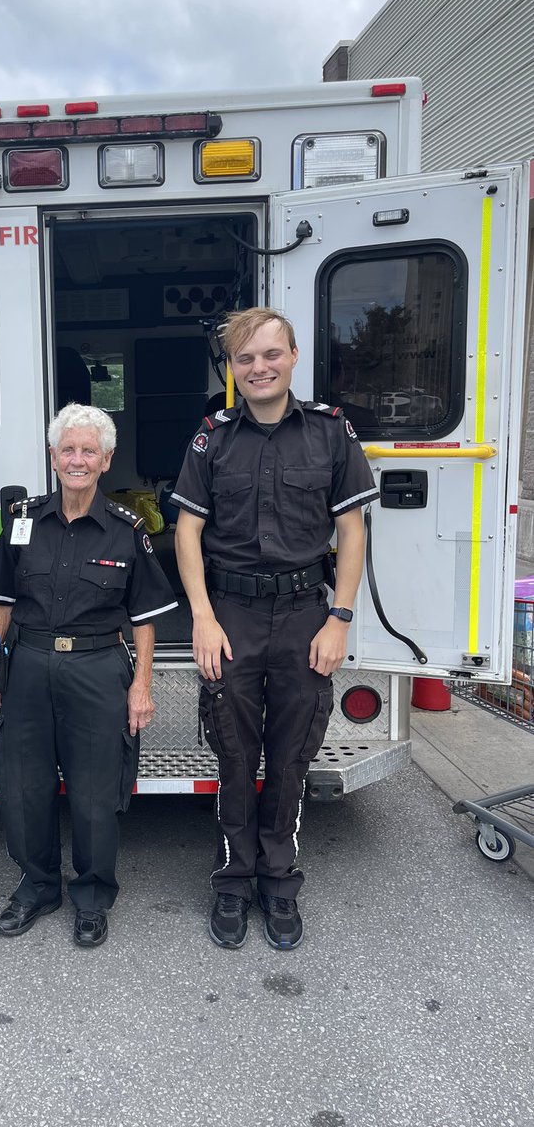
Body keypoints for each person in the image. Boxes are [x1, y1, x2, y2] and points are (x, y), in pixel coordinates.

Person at [171, 307, 379, 951]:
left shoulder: (330, 434)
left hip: (302, 616)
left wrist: (339, 618)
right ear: (231, 369)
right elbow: (187, 531)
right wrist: (202, 617)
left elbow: (351, 531)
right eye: (245, 359)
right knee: (235, 754)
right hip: (230, 615)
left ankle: (279, 883)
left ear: (292, 357)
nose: (258, 368)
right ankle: (233, 883)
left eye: (270, 355)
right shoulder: (211, 439)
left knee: (289, 756)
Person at [0, 403, 177, 948]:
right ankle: (38, 885)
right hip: (30, 664)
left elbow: (144, 620)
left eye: (89, 450)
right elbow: (3, 601)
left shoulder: (126, 531)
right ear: (53, 457)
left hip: (97, 669)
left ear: (107, 460)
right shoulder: (23, 521)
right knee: (21, 786)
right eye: (69, 449)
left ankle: (90, 896)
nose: (78, 460)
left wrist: (142, 686)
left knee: (94, 793)